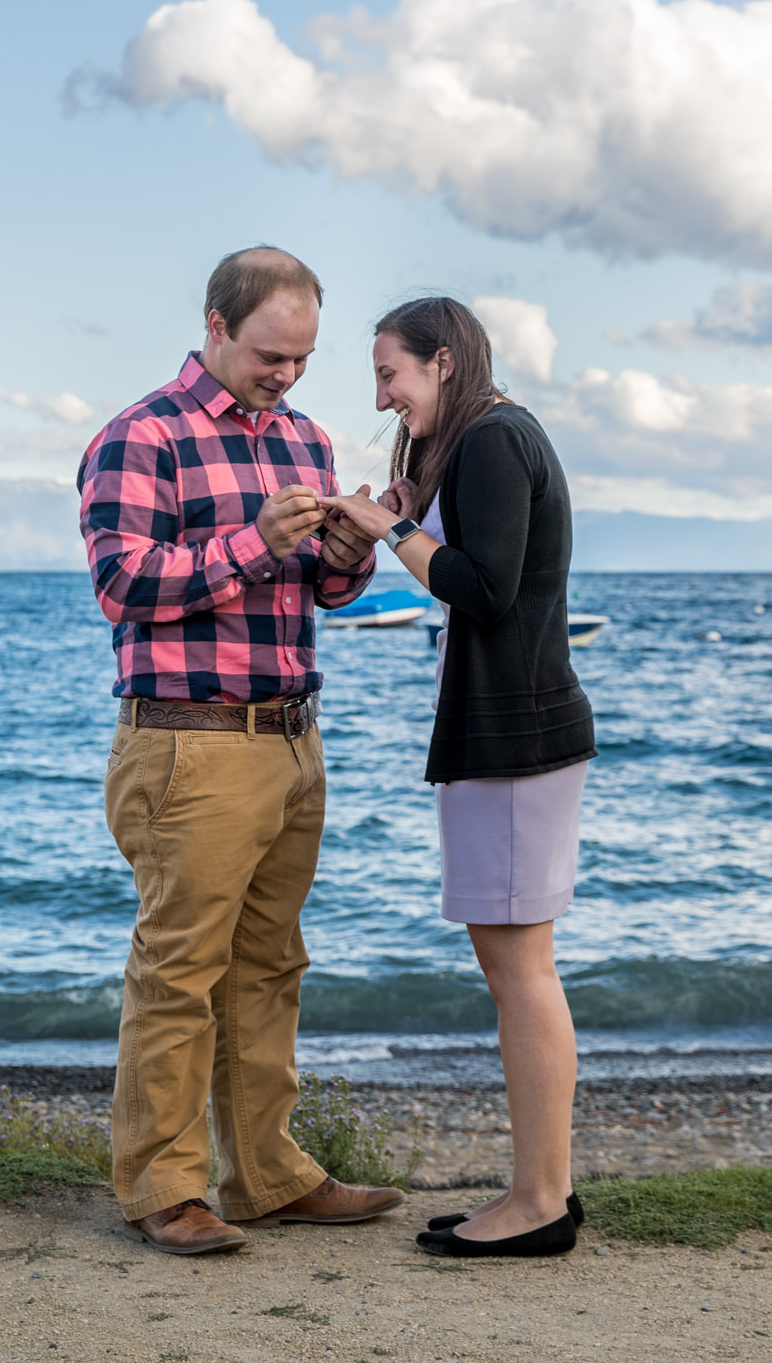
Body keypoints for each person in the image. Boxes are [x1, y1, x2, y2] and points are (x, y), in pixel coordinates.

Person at [76, 246, 406, 1256]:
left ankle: (267, 1174)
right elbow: (122, 585)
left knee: (270, 967)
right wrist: (258, 543)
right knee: (179, 973)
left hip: (291, 738)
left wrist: (344, 555)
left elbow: (318, 589)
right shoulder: (141, 438)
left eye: (304, 359)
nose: (289, 376)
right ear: (216, 326)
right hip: (189, 744)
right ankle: (164, 1187)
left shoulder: (305, 440)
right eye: (272, 355)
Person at [319, 296, 595, 1259]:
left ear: (443, 361)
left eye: (391, 374)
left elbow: (487, 587)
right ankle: (537, 1193)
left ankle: (538, 1203)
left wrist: (387, 531)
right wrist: (400, 512)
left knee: (520, 969)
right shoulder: (479, 439)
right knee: (512, 965)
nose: (385, 395)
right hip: (505, 730)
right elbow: (476, 561)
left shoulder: (493, 435)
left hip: (516, 734)